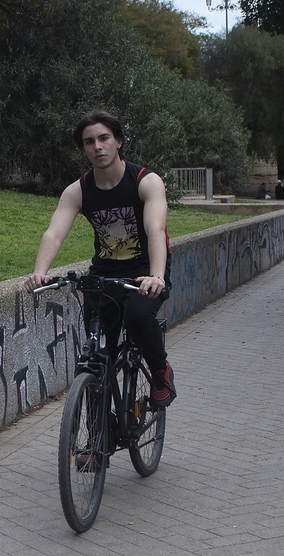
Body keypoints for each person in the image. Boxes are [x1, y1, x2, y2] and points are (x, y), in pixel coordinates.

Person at [25, 108, 176, 407]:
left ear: (118, 141)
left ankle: (161, 372)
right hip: (104, 273)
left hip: (145, 269)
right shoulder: (78, 191)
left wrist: (157, 275)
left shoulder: (146, 181)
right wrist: (39, 272)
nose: (98, 146)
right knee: (95, 357)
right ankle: (94, 444)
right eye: (89, 142)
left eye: (104, 138)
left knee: (137, 316)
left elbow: (156, 228)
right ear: (83, 149)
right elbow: (54, 234)